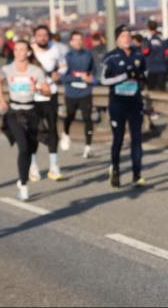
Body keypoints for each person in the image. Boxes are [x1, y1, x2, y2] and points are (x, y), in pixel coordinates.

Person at [0, 39, 51, 201]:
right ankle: (24, 185)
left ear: (28, 52)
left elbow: (47, 92)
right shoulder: (7, 69)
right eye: (16, 49)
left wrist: (40, 88)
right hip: (14, 112)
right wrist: (1, 99)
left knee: (32, 147)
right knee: (23, 147)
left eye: (22, 50)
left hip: (32, 111)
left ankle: (25, 174)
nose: (19, 53)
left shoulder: (36, 71)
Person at [98, 25, 148, 188]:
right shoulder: (110, 57)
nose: (126, 39)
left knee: (137, 139)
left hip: (135, 102)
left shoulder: (139, 55)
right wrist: (124, 76)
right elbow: (103, 80)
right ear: (117, 39)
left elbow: (145, 75)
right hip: (118, 104)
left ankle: (137, 174)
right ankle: (115, 170)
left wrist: (139, 77)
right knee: (118, 139)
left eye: (128, 36)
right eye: (123, 36)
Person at [30, 24, 68, 182]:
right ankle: (33, 166)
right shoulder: (28, 50)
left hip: (50, 94)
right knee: (32, 131)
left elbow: (64, 66)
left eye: (45, 35)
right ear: (35, 37)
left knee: (52, 129)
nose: (43, 38)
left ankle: (53, 166)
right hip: (32, 95)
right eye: (39, 35)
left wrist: (58, 74)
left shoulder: (56, 49)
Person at [62, 30, 96, 158]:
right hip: (71, 93)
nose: (78, 42)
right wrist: (79, 78)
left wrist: (91, 79)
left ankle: (88, 146)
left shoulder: (88, 55)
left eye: (80, 39)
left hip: (85, 92)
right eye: (75, 40)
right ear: (71, 42)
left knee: (87, 118)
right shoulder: (67, 57)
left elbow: (94, 73)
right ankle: (65, 133)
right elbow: (63, 78)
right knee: (70, 116)